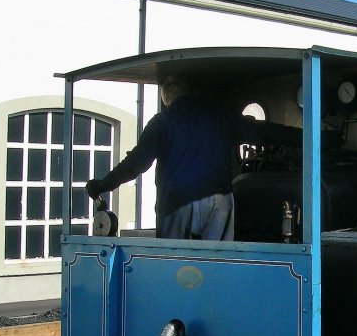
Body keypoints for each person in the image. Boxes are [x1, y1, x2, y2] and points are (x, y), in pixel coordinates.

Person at [85, 75, 255, 240]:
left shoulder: (162, 122)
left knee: (178, 260)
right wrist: (283, 133)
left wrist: (104, 184)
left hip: (180, 202)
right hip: (221, 198)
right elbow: (257, 132)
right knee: (218, 260)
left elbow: (136, 163)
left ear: (166, 99)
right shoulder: (220, 116)